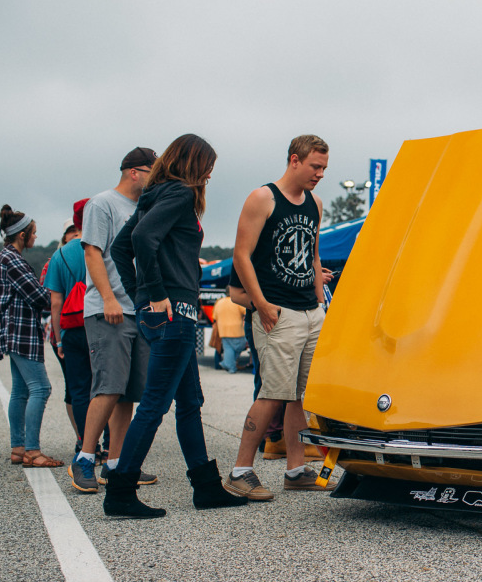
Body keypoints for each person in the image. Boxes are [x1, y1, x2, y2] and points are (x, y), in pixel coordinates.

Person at [103, 134, 246, 518]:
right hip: (174, 312)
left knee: (189, 403)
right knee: (154, 405)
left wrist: (140, 297)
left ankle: (206, 487)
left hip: (165, 312)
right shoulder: (180, 194)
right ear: (194, 163)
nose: (211, 175)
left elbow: (121, 248)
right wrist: (153, 293)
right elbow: (140, 239)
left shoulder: (156, 193)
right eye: (208, 166)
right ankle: (119, 492)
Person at [226, 134, 330, 499]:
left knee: (301, 394)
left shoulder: (315, 203)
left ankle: (296, 469)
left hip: (309, 310)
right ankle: (240, 470)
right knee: (272, 393)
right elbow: (242, 255)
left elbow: (314, 256)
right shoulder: (263, 198)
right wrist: (261, 303)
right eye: (315, 166)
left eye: (324, 168)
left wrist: (320, 302)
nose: (320, 174)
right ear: (294, 160)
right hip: (277, 310)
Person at [71, 147, 158, 493]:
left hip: (139, 308)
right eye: (153, 172)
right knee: (107, 386)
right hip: (109, 309)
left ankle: (117, 463)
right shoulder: (102, 203)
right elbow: (92, 251)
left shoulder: (144, 208)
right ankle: (84, 458)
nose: (157, 179)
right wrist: (108, 297)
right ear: (134, 172)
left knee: (128, 394)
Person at [0, 205, 62, 468]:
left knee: (21, 391)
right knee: (41, 388)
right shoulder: (14, 260)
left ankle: (18, 448)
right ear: (21, 235)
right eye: (33, 233)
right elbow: (39, 296)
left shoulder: (6, 256)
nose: (36, 236)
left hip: (14, 330)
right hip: (21, 331)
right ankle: (32, 451)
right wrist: (58, 297)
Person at [45, 202, 92, 468]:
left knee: (79, 389)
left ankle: (87, 444)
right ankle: (110, 446)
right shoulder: (106, 246)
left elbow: (55, 302)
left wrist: (59, 338)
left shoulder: (60, 255)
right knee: (107, 388)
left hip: (72, 328)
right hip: (102, 325)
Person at [211, 292, 247, 372]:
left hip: (223, 330)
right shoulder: (237, 301)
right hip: (237, 329)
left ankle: (228, 364)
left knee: (228, 349)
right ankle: (229, 365)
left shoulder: (219, 302)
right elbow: (245, 311)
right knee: (240, 346)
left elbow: (214, 316)